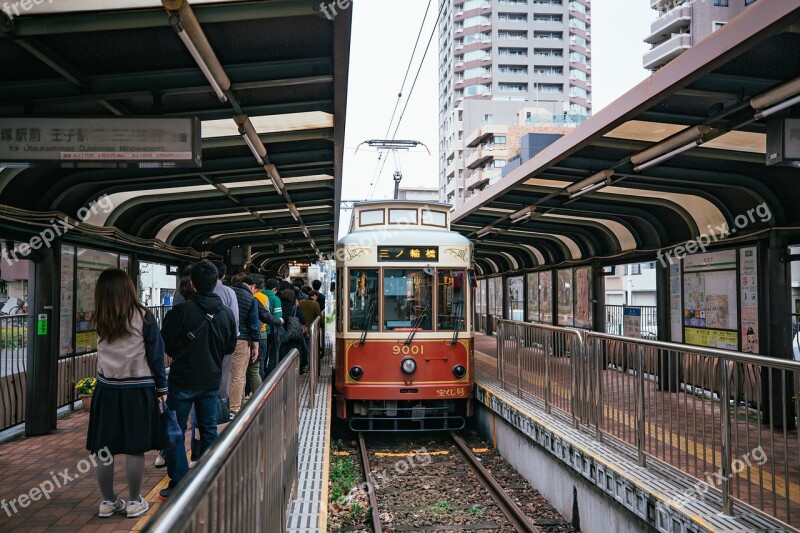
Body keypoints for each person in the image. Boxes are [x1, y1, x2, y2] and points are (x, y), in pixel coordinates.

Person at [86, 268, 167, 519]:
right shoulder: (144, 317)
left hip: (106, 389)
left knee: (103, 450)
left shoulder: (98, 317)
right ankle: (134, 501)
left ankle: (108, 501)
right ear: (129, 289)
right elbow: (155, 355)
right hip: (138, 389)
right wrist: (162, 387)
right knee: (135, 447)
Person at [159, 261, 237, 500]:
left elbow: (167, 344)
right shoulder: (225, 313)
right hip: (211, 381)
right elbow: (229, 346)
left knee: (175, 430)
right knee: (208, 428)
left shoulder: (180, 312)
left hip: (182, 381)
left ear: (191, 283)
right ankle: (209, 477)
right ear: (215, 283)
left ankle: (180, 482)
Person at [229, 272, 261, 414]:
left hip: (222, 338)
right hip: (241, 340)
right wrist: (255, 345)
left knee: (224, 372)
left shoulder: (227, 293)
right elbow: (254, 324)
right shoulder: (250, 298)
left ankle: (221, 404)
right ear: (252, 286)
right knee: (238, 375)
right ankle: (234, 409)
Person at [245, 274, 282, 392]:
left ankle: (244, 394)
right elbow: (270, 316)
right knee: (258, 365)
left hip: (244, 336)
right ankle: (259, 392)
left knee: (242, 370)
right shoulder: (264, 298)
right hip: (262, 333)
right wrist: (279, 321)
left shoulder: (239, 295)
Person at [211, 260, 239, 403]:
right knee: (223, 374)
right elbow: (234, 319)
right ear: (223, 275)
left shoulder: (195, 291)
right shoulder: (229, 292)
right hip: (224, 340)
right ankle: (220, 405)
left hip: (201, 340)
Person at [279, 287, 308, 373]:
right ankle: (297, 369)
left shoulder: (279, 306)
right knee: (296, 351)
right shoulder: (295, 308)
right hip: (294, 335)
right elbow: (303, 320)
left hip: (282, 334)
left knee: (283, 352)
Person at [262, 279, 283, 375]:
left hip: (260, 331)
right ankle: (270, 376)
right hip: (271, 330)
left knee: (262, 356)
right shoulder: (275, 299)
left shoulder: (258, 295)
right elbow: (278, 317)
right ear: (274, 289)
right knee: (273, 354)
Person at [312, 279, 326, 355]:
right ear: (320, 287)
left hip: (310, 317)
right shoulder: (322, 296)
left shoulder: (309, 295)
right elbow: (323, 307)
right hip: (319, 317)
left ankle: (313, 347)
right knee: (318, 333)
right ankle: (318, 347)